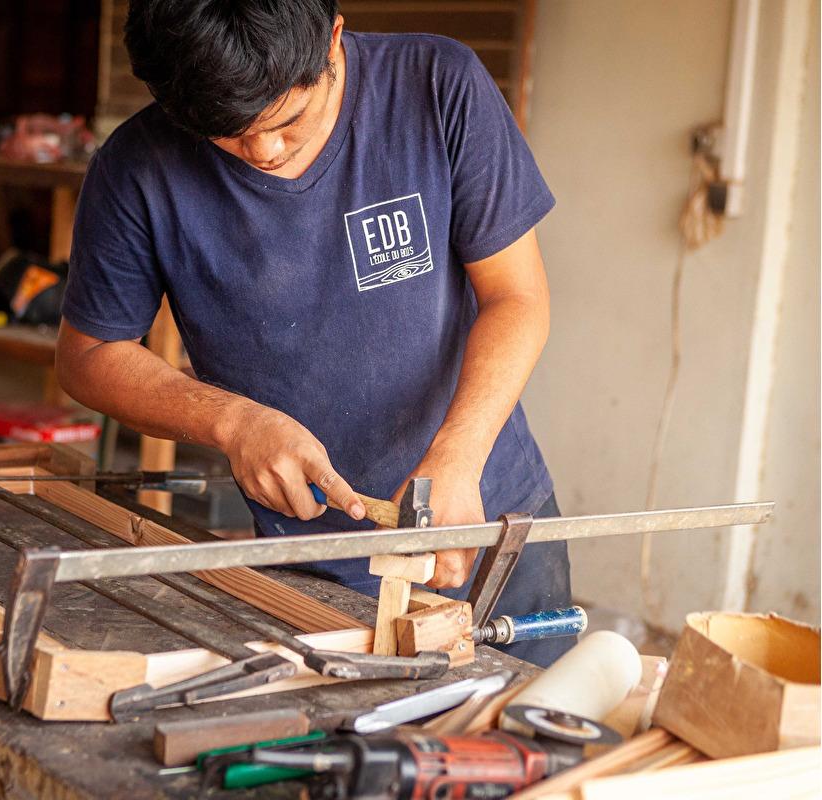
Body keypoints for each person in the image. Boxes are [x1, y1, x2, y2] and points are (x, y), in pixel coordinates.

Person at [55, 0, 572, 665]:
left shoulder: (438, 84)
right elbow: (90, 354)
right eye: (231, 134)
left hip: (485, 518)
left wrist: (459, 454)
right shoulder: (136, 167)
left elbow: (518, 296)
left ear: (333, 36)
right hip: (309, 561)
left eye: (290, 119)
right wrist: (233, 423)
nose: (265, 151)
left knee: (543, 742)